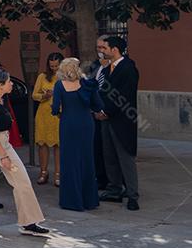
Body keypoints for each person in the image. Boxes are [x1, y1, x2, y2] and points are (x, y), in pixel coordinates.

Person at [0, 69, 50, 236]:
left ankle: (29, 222)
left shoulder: (0, 100)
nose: (11, 84)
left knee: (22, 181)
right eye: (8, 82)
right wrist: (4, 156)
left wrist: (5, 152)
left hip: (3, 144)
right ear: (0, 85)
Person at [95, 35, 140, 210]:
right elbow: (103, 93)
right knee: (109, 155)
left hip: (122, 120)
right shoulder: (107, 70)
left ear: (115, 49)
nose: (101, 51)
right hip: (107, 119)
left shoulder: (128, 69)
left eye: (104, 48)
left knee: (125, 157)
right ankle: (114, 189)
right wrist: (99, 110)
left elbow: (125, 97)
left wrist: (106, 112)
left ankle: (132, 195)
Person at [52, 58, 103, 211]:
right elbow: (98, 105)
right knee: (87, 159)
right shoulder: (86, 84)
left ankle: (72, 201)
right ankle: (89, 200)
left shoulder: (59, 85)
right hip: (86, 124)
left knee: (69, 161)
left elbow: (55, 109)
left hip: (68, 124)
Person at [32, 52, 64, 186]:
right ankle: (43, 172)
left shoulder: (65, 77)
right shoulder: (42, 76)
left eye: (56, 66)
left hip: (59, 114)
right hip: (43, 113)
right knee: (42, 143)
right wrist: (43, 96)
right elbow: (34, 94)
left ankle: (58, 173)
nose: (54, 68)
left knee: (58, 144)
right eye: (51, 66)